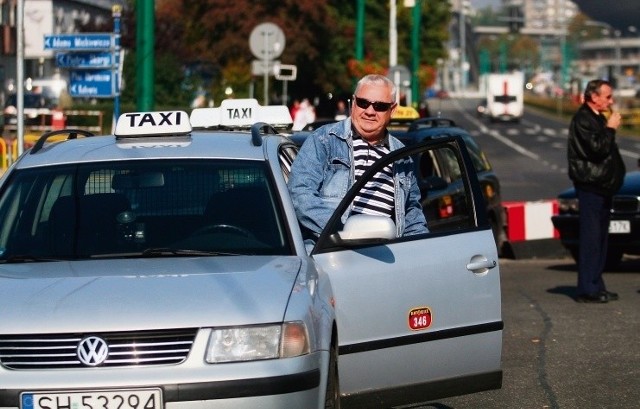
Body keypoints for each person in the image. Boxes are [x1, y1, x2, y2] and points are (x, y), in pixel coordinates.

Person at [288, 74, 428, 243]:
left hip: (385, 259)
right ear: (353, 103)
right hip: (328, 251)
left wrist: (421, 250)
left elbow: (412, 213)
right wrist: (343, 232)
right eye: (363, 103)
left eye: (380, 106)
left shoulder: (401, 156)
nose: (370, 111)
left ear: (392, 110)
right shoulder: (324, 140)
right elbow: (300, 193)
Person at [567, 79, 626, 303]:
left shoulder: (595, 117)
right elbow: (597, 149)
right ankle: (587, 288)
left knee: (600, 239)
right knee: (591, 238)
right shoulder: (583, 119)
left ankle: (596, 284)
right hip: (590, 185)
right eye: (607, 97)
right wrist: (610, 128)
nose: (611, 101)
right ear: (594, 97)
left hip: (602, 185)